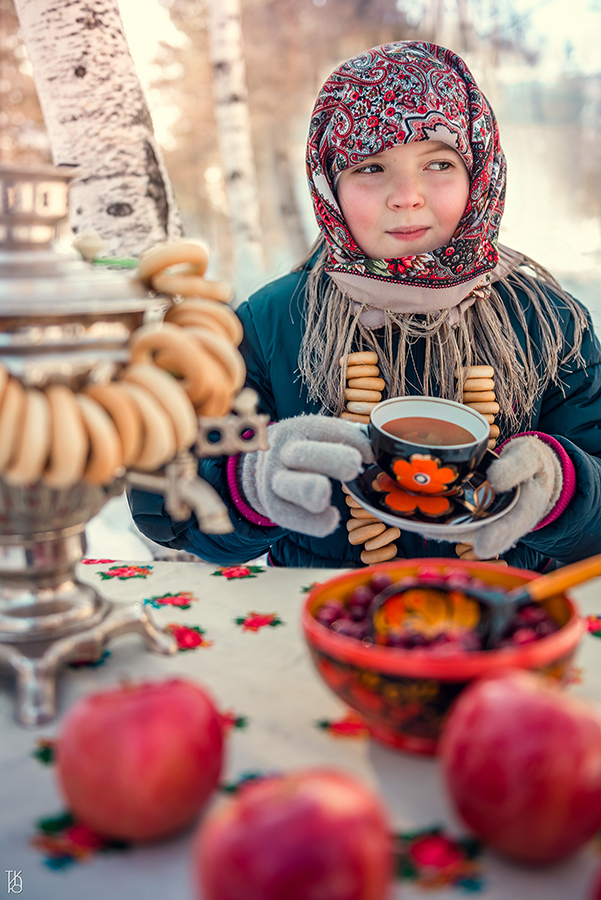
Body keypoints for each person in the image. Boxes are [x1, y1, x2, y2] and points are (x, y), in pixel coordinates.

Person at [130, 40, 601, 571]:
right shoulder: (270, 324)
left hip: (501, 627)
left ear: (481, 168)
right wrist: (247, 482)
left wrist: (567, 488)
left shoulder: (549, 323)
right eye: (371, 167)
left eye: (439, 162)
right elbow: (173, 486)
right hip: (325, 622)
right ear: (328, 183)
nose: (406, 195)